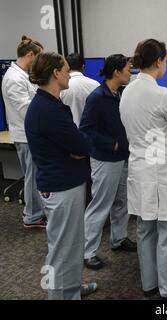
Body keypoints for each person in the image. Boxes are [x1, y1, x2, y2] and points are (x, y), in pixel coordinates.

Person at [120, 39, 167, 300]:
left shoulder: (127, 91)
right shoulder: (163, 95)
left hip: (140, 169)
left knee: (146, 229)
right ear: (159, 61)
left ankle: (149, 283)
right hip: (164, 172)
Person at [25, 52, 97, 299]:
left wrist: (76, 147)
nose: (69, 74)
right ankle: (58, 294)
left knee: (71, 245)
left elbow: (76, 145)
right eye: (66, 69)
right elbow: (83, 145)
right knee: (60, 250)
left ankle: (71, 289)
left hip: (63, 183)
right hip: (62, 187)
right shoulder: (49, 109)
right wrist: (78, 148)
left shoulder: (49, 105)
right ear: (56, 73)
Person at [79, 54, 136, 270]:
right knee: (100, 205)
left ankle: (119, 239)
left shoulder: (120, 93)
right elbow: (86, 129)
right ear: (116, 72)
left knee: (123, 201)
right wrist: (111, 144)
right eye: (128, 69)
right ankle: (87, 252)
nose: (130, 73)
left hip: (123, 157)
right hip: (105, 159)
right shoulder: (97, 97)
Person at [1, 35, 45, 228]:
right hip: (25, 135)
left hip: (30, 134)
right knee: (32, 177)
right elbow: (26, 109)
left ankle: (35, 213)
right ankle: (32, 216)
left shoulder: (22, 75)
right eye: (39, 58)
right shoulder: (13, 78)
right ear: (30, 55)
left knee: (34, 176)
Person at [60, 53, 100, 126]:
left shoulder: (61, 87)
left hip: (69, 131)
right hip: (91, 132)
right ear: (83, 67)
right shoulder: (96, 85)